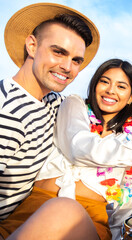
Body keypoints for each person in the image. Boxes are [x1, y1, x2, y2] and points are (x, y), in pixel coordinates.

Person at [0, 58, 132, 240]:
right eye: (104, 82)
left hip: (91, 217)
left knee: (64, 210)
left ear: (130, 97)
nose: (111, 90)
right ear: (94, 85)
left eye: (121, 86)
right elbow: (80, 148)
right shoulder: (74, 105)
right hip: (37, 205)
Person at [0, 2, 99, 224]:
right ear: (32, 46)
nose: (67, 67)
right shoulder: (6, 113)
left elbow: (96, 109)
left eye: (76, 60)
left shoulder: (54, 102)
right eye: (58, 52)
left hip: (30, 215)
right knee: (68, 212)